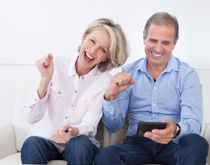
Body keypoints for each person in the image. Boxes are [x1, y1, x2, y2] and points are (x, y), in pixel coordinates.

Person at [94, 12, 209, 165]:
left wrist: (175, 130)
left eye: (166, 43)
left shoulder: (187, 75)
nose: (158, 48)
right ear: (144, 38)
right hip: (138, 145)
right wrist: (111, 97)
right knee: (105, 156)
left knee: (196, 142)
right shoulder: (128, 73)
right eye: (153, 40)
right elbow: (113, 126)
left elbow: (194, 123)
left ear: (175, 43)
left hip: (173, 144)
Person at [20, 18, 130, 165]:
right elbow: (30, 118)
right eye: (92, 41)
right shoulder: (56, 65)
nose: (93, 50)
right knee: (31, 143)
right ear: (84, 37)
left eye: (102, 49)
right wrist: (45, 80)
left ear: (107, 57)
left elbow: (90, 123)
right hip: (47, 140)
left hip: (79, 143)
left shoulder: (105, 82)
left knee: (79, 144)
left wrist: (71, 131)